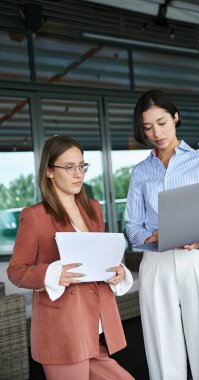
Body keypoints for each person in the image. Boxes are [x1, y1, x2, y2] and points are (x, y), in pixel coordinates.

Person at [8, 135, 134, 380]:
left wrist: (116, 271)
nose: (78, 174)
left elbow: (100, 255)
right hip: (61, 331)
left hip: (93, 325)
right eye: (69, 167)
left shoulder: (92, 208)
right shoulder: (34, 216)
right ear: (49, 172)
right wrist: (52, 273)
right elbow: (16, 271)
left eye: (81, 165)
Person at [125, 89, 199, 380]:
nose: (156, 132)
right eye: (147, 127)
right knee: (162, 349)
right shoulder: (140, 172)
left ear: (176, 117)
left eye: (162, 122)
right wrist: (152, 235)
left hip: (197, 260)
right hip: (157, 264)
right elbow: (131, 227)